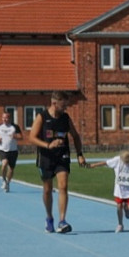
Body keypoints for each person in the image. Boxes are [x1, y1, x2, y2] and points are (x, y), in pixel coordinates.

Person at [29, 91, 86, 233]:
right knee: (48, 190)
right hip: (46, 157)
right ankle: (49, 217)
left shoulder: (65, 118)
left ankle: (62, 220)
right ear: (54, 103)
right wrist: (48, 145)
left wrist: (79, 154)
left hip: (62, 156)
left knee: (63, 186)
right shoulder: (42, 117)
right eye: (63, 105)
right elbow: (32, 137)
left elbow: (76, 136)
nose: (66, 108)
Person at [86, 149, 129, 233]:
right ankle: (120, 224)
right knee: (119, 206)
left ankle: (127, 209)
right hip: (119, 190)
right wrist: (94, 165)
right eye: (126, 162)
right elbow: (105, 162)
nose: (128, 163)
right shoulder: (117, 160)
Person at [0, 111, 23, 192]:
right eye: (3, 118)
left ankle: (8, 183)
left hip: (13, 150)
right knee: (4, 164)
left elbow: (21, 137)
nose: (5, 119)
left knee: (11, 169)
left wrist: (15, 136)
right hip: (2, 149)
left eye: (6, 118)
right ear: (2, 118)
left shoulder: (14, 127)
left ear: (10, 118)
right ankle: (3, 180)